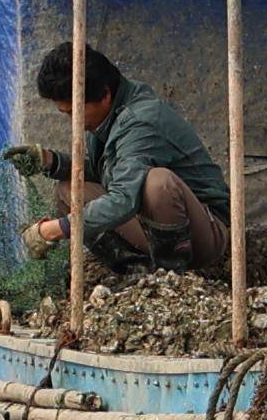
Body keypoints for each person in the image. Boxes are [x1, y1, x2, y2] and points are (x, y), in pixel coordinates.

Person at [22, 43, 233, 273]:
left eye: (74, 112)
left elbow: (123, 199)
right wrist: (50, 161)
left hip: (206, 233)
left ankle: (173, 276)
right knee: (70, 190)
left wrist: (56, 228)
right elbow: (105, 172)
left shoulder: (140, 121)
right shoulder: (107, 118)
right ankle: (136, 271)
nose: (73, 121)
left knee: (158, 184)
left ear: (104, 94)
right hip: (156, 229)